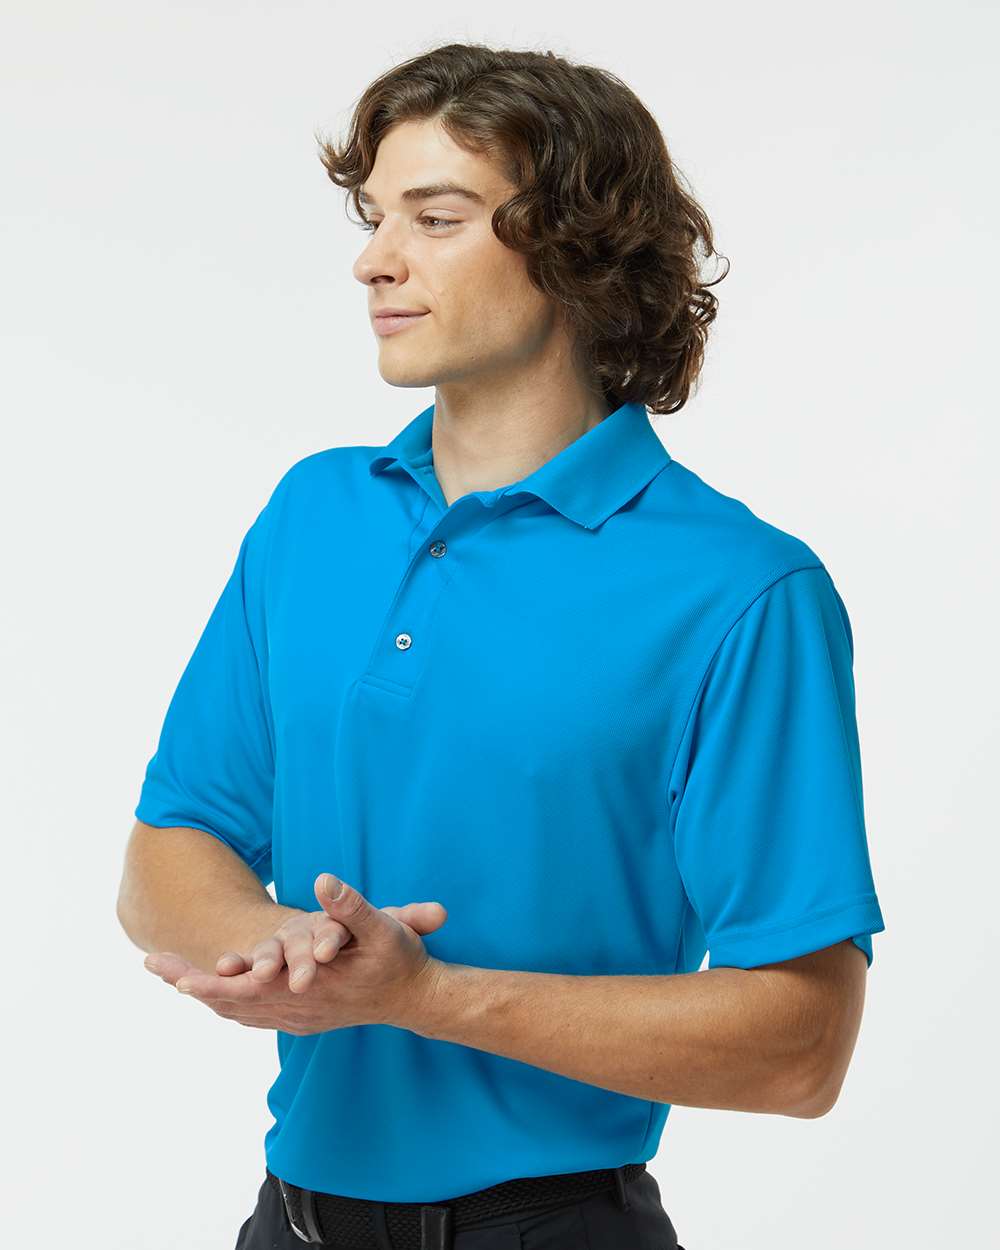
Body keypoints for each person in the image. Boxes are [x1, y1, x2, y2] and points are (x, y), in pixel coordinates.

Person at [118, 41, 886, 1250]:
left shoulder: (741, 589)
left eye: (436, 218)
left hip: (551, 1227)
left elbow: (803, 1045)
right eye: (376, 217)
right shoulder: (313, 515)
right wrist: (276, 940)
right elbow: (171, 847)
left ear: (578, 247)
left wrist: (424, 994)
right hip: (287, 1223)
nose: (375, 259)